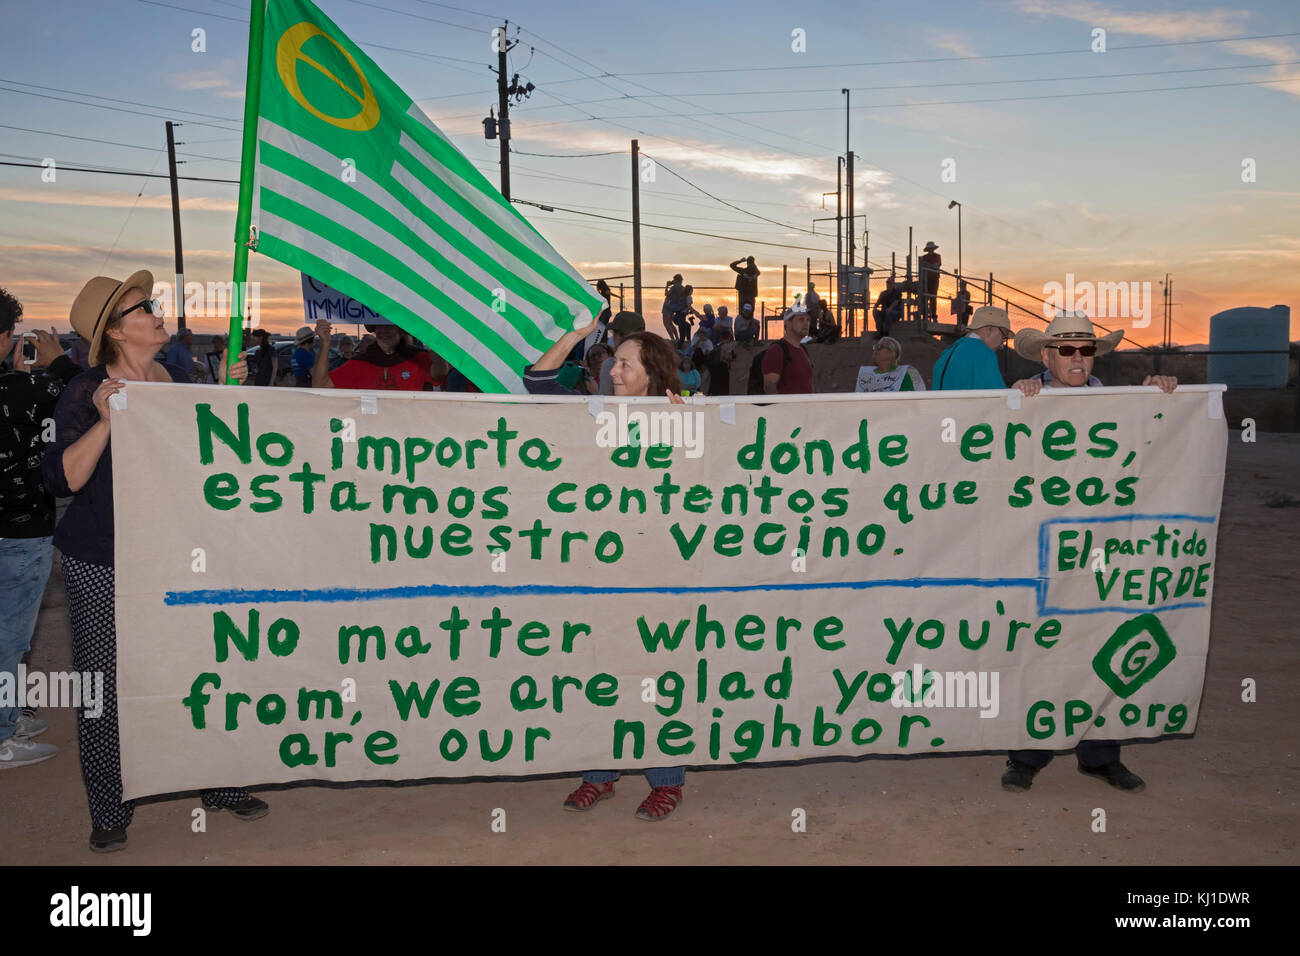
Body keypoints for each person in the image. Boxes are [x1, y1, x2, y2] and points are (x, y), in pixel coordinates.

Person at [44, 271, 267, 853]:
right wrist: (108, 420)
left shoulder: (177, 377)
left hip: (175, 555)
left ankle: (218, 783)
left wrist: (228, 394)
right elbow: (65, 476)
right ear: (117, 331)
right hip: (102, 558)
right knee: (105, 683)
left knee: (198, 669)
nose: (158, 310)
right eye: (145, 307)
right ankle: (109, 805)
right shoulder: (86, 390)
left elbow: (206, 453)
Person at [1001, 310, 1177, 795]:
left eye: (1087, 350)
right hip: (1039, 552)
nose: (1078, 359)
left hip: (1107, 552)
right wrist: (1008, 405)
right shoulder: (1022, 400)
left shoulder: (1120, 402)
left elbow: (1161, 436)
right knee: (1041, 647)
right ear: (1046, 356)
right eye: (1067, 350)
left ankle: (1100, 755)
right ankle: (1026, 754)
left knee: (1106, 642)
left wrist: (1164, 395)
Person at [522, 318, 688, 819]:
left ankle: (666, 781)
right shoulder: (590, 416)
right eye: (612, 361)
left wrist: (688, 426)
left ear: (651, 374)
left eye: (623, 363)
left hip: (658, 574)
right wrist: (574, 336)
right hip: (595, 573)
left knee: (655, 676)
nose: (612, 371)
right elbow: (537, 384)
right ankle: (599, 775)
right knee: (597, 674)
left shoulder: (682, 419)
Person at [1, 290, 81, 770]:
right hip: (22, 529)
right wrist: (58, 362)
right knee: (10, 636)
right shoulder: (23, 391)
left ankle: (9, 712)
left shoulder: (15, 388)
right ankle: (4, 733)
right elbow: (90, 394)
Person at [311, 320, 438, 390]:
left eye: (390, 325)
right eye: (379, 325)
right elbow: (320, 385)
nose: (384, 330)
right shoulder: (359, 363)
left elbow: (440, 374)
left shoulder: (417, 357)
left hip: (409, 432)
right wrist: (325, 343)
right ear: (375, 330)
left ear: (400, 329)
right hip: (372, 434)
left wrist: (435, 340)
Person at [931, 305, 1011, 390]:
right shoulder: (984, 354)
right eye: (1003, 338)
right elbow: (999, 398)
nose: (1001, 346)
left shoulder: (947, 354)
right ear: (989, 330)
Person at [762, 307, 814, 394]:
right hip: (788, 407)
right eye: (801, 319)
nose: (806, 323)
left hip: (805, 407)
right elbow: (770, 387)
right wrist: (782, 407)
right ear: (787, 323)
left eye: (808, 320)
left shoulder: (803, 350)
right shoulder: (776, 350)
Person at [598, 311, 646, 395]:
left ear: (618, 336)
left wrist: (593, 390)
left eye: (613, 333)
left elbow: (606, 401)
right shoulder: (658, 362)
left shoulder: (611, 365)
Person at [855, 337, 925, 391]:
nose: (876, 349)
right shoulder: (866, 375)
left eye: (880, 347)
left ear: (892, 353)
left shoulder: (903, 376)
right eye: (875, 346)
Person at [919, 241, 942, 322]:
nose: (931, 250)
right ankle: (925, 316)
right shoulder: (924, 257)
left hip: (934, 279)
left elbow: (937, 265)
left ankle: (934, 317)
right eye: (929, 249)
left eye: (931, 248)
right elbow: (924, 265)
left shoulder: (937, 256)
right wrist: (932, 266)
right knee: (924, 297)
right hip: (925, 279)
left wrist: (928, 265)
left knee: (933, 298)